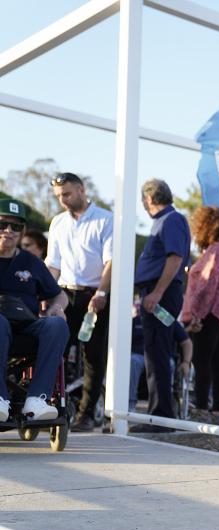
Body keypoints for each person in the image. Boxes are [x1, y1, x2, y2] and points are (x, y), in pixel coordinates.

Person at [47, 171, 114, 431]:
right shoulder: (58, 223)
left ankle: (85, 415)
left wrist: (102, 294)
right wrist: (46, 294)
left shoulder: (105, 219)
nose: (62, 200)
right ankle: (52, 408)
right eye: (58, 196)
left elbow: (111, 261)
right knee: (55, 349)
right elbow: (52, 264)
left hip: (94, 295)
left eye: (66, 194)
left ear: (81, 190)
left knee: (93, 357)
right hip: (64, 293)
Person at [0, 198, 69, 424]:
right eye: (2, 225)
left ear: (22, 232)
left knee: (57, 324)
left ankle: (37, 400)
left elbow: (59, 294)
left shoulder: (31, 262)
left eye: (16, 227)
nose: (8, 231)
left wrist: (57, 307)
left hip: (26, 327)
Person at [130, 179, 190, 433]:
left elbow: (175, 258)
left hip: (160, 294)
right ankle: (159, 412)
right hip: (155, 293)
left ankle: (161, 416)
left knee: (157, 356)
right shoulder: (165, 221)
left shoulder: (171, 220)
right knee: (154, 354)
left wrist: (156, 292)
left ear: (149, 199)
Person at [181, 206, 219, 424]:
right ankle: (217, 410)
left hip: (212, 308)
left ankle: (200, 408)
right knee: (218, 362)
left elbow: (207, 284)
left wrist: (196, 313)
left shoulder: (216, 251)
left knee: (202, 359)